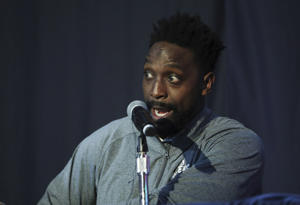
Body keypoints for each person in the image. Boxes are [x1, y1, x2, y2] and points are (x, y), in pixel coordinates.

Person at [38, 13, 264, 205]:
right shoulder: (106, 143)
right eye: (148, 74)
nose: (156, 91)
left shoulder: (237, 145)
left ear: (206, 83)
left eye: (173, 78)